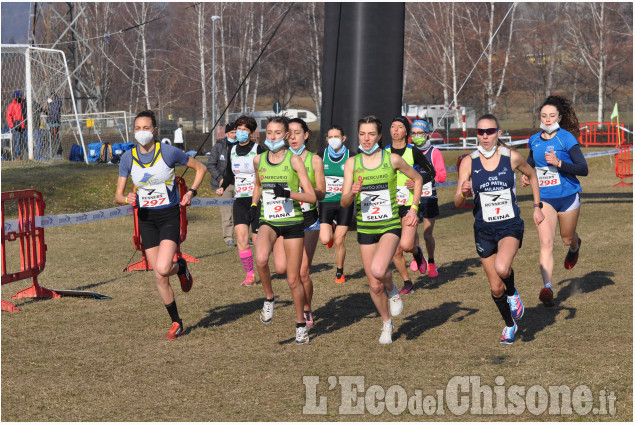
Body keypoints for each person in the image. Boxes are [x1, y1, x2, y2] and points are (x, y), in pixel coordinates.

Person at [115, 110, 207, 341]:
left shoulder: (167, 151)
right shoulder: (127, 157)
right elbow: (117, 195)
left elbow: (201, 168)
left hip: (168, 217)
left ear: (154, 130)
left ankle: (182, 268)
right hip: (146, 220)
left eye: (146, 128)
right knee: (159, 276)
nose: (141, 132)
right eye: (137, 128)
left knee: (165, 268)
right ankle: (176, 322)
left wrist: (191, 192)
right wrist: (127, 198)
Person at [455, 114, 544, 344]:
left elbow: (532, 175)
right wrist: (463, 192)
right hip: (483, 229)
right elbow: (457, 202)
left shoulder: (511, 157)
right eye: (481, 132)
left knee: (502, 268)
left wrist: (537, 207)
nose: (485, 136)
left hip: (509, 224)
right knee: (495, 288)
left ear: (499, 133)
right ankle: (509, 325)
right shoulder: (468, 161)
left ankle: (513, 293)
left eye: (490, 131)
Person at [340, 115, 423, 344]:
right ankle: (386, 323)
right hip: (366, 228)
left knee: (378, 269)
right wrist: (351, 193)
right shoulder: (351, 163)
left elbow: (417, 179)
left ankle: (394, 289)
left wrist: (413, 209)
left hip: (389, 225)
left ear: (379, 136)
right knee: (374, 285)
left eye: (371, 134)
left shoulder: (392, 160)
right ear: (358, 136)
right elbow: (344, 203)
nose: (366, 139)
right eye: (362, 134)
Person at [251, 116, 317, 344]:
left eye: (278, 133)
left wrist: (288, 194)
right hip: (268, 220)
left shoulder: (295, 160)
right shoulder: (259, 160)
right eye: (269, 132)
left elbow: (311, 197)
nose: (273, 137)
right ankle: (269, 298)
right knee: (260, 258)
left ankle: (300, 325)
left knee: (292, 280)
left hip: (292, 223)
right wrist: (253, 206)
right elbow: (258, 185)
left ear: (287, 135)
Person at [521, 95, 588, 307]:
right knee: (546, 242)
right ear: (539, 117)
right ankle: (548, 287)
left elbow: (583, 169)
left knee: (566, 239)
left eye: (552, 116)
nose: (548, 119)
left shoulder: (566, 138)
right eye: (544, 116)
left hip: (568, 197)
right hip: (545, 199)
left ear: (559, 117)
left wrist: (559, 163)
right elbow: (531, 163)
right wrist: (526, 174)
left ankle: (575, 247)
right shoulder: (534, 140)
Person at [384, 116, 436, 295]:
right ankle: (407, 282)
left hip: (410, 203)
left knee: (406, 245)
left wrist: (417, 183)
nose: (395, 130)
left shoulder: (413, 151)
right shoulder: (384, 152)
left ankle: (417, 252)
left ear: (407, 132)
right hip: (389, 205)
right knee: (395, 250)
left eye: (400, 127)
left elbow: (431, 172)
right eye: (393, 126)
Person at [216, 116, 266, 286]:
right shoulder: (232, 150)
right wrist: (222, 186)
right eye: (239, 129)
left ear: (251, 133)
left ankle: (263, 269)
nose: (241, 132)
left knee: (259, 241)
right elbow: (230, 173)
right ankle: (250, 275)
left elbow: (267, 171)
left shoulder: (259, 149)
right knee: (241, 237)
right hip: (240, 200)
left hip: (258, 200)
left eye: (245, 130)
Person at [288, 117, 326, 328]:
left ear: (306, 135)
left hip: (309, 219)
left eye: (297, 132)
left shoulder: (314, 160)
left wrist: (307, 192)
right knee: (286, 269)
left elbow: (321, 191)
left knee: (303, 272)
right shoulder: (280, 159)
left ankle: (306, 308)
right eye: (289, 133)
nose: (293, 137)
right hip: (285, 219)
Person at [409, 119, 446, 279]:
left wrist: (425, 178)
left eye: (420, 133)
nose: (417, 136)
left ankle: (431, 262)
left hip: (429, 198)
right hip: (412, 200)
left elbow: (443, 176)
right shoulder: (408, 152)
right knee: (412, 233)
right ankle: (418, 256)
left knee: (427, 234)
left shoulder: (434, 152)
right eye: (414, 133)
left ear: (426, 134)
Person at [318, 125, 354, 284]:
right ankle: (331, 228)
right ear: (326, 139)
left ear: (343, 138)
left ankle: (340, 272)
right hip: (326, 202)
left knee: (340, 240)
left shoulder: (351, 156)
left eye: (337, 137)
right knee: (325, 240)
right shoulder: (320, 156)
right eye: (330, 137)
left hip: (344, 202)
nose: (333, 140)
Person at [207, 123, 237, 247]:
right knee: (226, 212)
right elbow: (210, 165)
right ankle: (228, 237)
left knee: (244, 211)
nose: (234, 135)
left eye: (236, 132)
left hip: (241, 183)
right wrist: (220, 179)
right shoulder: (219, 146)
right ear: (227, 133)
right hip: (224, 185)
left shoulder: (243, 146)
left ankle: (245, 235)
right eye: (232, 132)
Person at [6, 90, 26, 160]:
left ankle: (28, 154)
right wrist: (11, 125)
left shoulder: (23, 103)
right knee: (17, 142)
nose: (18, 98)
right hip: (16, 126)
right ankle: (18, 156)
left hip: (24, 126)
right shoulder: (12, 105)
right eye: (17, 97)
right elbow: (8, 116)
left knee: (25, 141)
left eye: (19, 96)